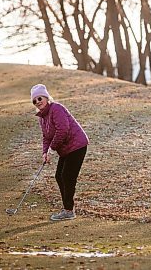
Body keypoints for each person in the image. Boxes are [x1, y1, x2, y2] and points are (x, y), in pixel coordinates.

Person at [30, 84, 89, 221]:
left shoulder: (56, 108)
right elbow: (46, 137)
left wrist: (51, 149)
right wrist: (45, 152)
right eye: (34, 101)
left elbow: (63, 130)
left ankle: (69, 210)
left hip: (77, 145)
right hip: (66, 149)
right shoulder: (42, 117)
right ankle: (68, 208)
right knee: (59, 176)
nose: (38, 102)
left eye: (40, 98)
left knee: (67, 176)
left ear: (46, 97)